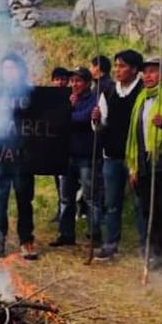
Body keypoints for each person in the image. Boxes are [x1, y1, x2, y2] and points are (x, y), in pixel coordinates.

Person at [91, 50, 145, 261]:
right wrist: (96, 120)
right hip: (111, 156)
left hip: (135, 158)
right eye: (116, 66)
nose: (117, 70)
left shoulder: (142, 92)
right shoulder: (109, 92)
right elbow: (100, 126)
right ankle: (111, 243)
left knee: (140, 204)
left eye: (122, 66)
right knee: (112, 204)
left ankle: (144, 247)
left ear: (134, 69)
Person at [0, 53, 38, 260]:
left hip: (24, 157)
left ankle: (26, 240)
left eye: (13, 68)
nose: (9, 72)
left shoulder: (32, 94)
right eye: (5, 68)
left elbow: (45, 120)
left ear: (20, 70)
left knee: (24, 200)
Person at [51, 67, 103, 247]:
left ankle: (93, 234)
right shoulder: (67, 98)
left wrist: (69, 114)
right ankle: (66, 234)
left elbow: (84, 119)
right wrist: (69, 109)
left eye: (79, 81)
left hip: (86, 156)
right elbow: (56, 120)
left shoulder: (94, 100)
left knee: (90, 198)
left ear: (88, 83)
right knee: (66, 198)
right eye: (73, 81)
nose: (75, 84)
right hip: (66, 155)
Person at [126, 57, 162, 269]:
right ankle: (157, 255)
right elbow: (135, 136)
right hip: (144, 165)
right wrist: (134, 167)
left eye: (153, 71)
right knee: (149, 212)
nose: (148, 76)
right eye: (146, 72)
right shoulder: (141, 99)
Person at [49, 67, 70, 223]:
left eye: (63, 79)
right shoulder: (46, 97)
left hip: (69, 144)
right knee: (58, 181)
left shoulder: (72, 96)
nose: (60, 82)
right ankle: (60, 210)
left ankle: (70, 211)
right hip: (53, 145)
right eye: (57, 79)